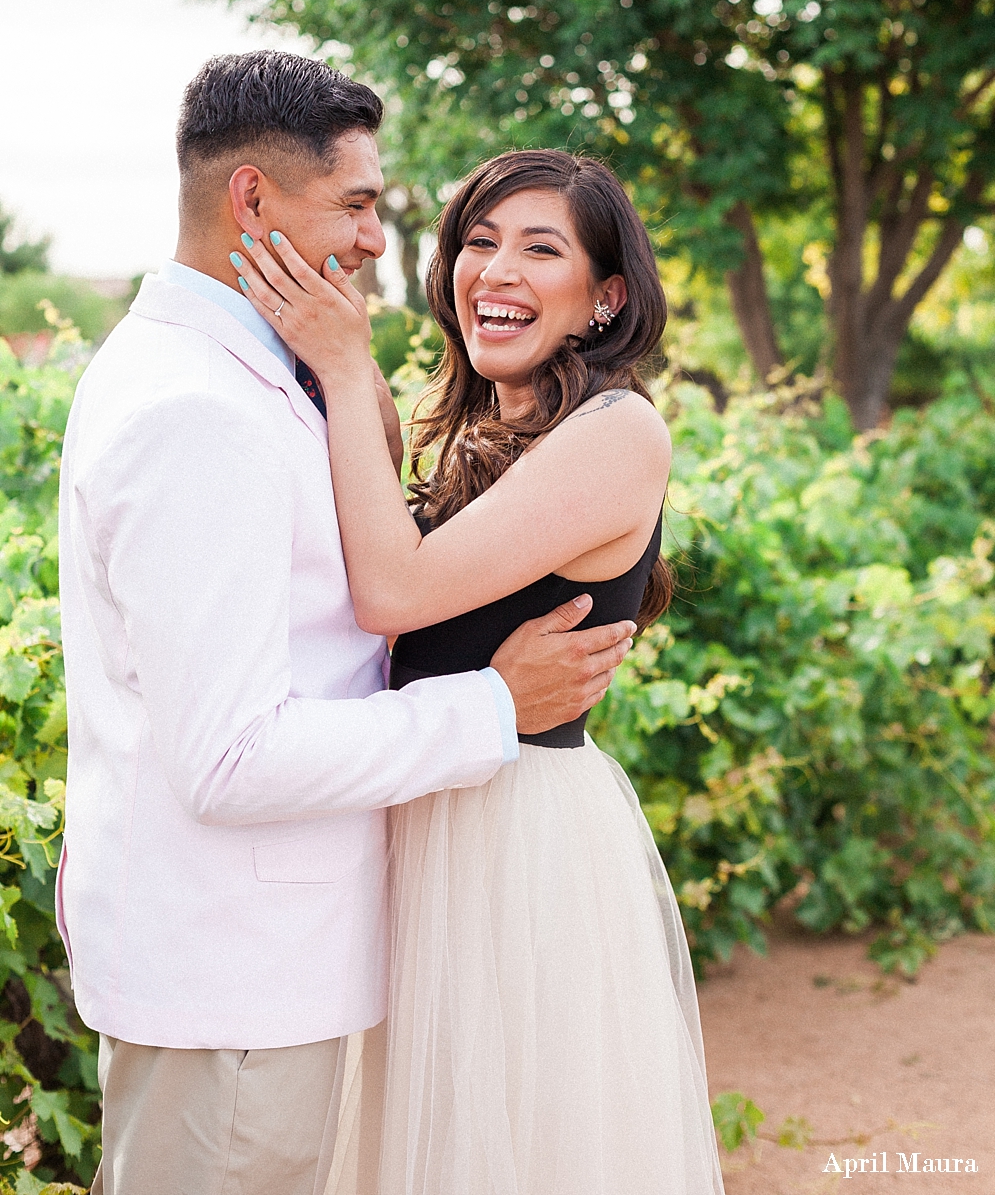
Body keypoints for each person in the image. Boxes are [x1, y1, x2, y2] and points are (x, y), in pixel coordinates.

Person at [57, 53, 638, 1195]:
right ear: (255, 203)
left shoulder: (257, 378)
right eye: (360, 204)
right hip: (238, 976)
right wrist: (491, 703)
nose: (383, 240)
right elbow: (231, 756)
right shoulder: (197, 411)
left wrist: (350, 379)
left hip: (300, 957)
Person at [232, 148, 726, 1194]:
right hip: (424, 809)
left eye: (539, 249)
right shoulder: (478, 425)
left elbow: (395, 594)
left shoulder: (617, 430)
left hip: (515, 839)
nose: (493, 270)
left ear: (606, 296)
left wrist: (337, 360)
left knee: (508, 1144)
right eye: (477, 242)